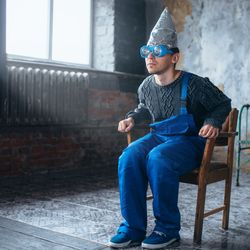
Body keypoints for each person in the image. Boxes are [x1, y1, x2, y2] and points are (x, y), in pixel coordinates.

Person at [109, 8, 231, 249]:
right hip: (159, 137)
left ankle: (167, 230)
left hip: (188, 142)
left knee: (158, 158)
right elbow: (144, 108)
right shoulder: (146, 85)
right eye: (147, 52)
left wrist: (212, 122)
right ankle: (133, 228)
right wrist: (132, 117)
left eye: (158, 52)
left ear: (174, 57)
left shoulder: (194, 84)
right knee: (129, 156)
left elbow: (222, 104)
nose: (150, 57)